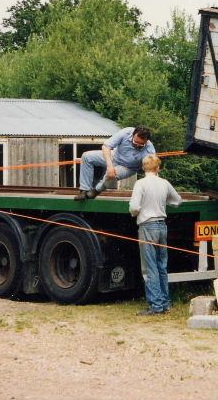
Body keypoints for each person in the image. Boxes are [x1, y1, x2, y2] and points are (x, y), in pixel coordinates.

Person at [128, 154, 182, 315]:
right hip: (161, 226)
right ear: (158, 168)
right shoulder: (164, 183)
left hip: (147, 226)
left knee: (149, 267)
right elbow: (178, 201)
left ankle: (156, 305)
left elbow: (134, 207)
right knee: (161, 265)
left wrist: (134, 212)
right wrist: (164, 202)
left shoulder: (140, 184)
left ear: (144, 168)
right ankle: (165, 303)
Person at [74, 126, 156, 200]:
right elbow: (106, 147)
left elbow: (152, 170)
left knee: (111, 175)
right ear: (133, 135)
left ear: (147, 141)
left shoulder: (150, 150)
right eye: (135, 143)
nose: (137, 146)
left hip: (128, 168)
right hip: (114, 156)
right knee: (86, 156)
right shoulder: (125, 133)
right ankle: (84, 190)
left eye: (141, 145)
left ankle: (95, 191)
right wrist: (110, 166)